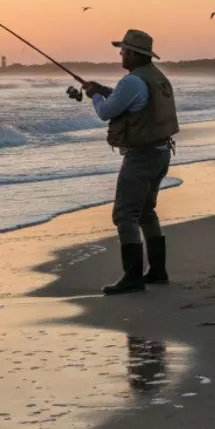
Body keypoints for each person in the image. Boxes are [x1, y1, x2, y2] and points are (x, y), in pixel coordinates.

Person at [81, 29, 179, 295]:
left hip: (142, 157)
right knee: (146, 211)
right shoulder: (157, 78)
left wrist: (96, 96)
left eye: (124, 49)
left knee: (125, 214)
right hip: (161, 152)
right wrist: (105, 91)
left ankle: (132, 277)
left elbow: (105, 112)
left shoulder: (132, 81)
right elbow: (137, 104)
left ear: (135, 54)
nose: (120, 53)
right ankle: (158, 272)